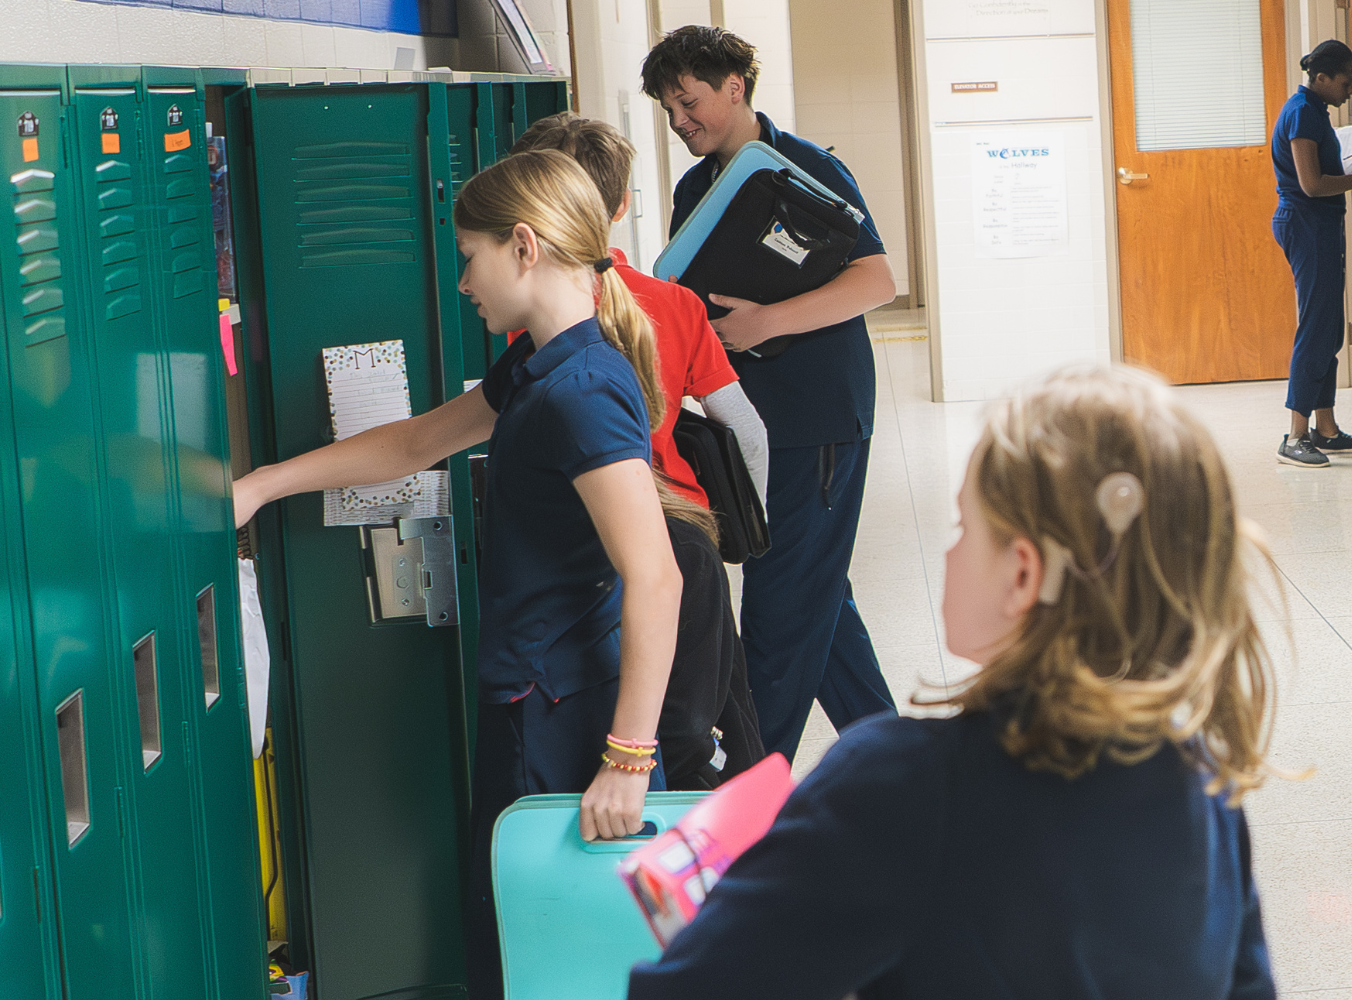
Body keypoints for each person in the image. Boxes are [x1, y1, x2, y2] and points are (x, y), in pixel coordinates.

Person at [628, 365, 1278, 999]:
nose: (950, 549)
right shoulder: (1205, 783)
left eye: (967, 526)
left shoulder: (901, 783)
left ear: (1022, 575)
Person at [231, 150, 686, 997]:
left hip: (569, 718)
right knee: (528, 942)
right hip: (537, 699)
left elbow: (656, 575)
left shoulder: (582, 388)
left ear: (525, 246)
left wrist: (626, 759)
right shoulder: (537, 364)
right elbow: (414, 444)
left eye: (469, 255)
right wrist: (260, 486)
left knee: (550, 955)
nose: (464, 281)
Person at [642, 25, 899, 762]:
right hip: (748, 422)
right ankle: (893, 763)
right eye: (668, 110)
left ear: (736, 86)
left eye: (690, 102)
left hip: (816, 418)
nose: (680, 122)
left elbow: (876, 279)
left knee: (782, 607)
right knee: (819, 599)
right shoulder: (695, 187)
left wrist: (767, 322)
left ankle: (753, 779)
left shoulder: (806, 167)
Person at [509, 111, 771, 787]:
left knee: (632, 727)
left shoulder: (541, 320)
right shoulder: (675, 303)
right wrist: (737, 531)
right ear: (622, 206)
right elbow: (745, 429)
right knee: (715, 721)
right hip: (682, 535)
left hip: (594, 553)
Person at [1272, 38, 1352, 469]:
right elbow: (1312, 184)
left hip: (1321, 225)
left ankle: (1326, 429)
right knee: (1316, 328)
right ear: (1321, 78)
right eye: (1345, 82)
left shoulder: (1315, 112)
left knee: (1331, 330)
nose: (1350, 90)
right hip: (1306, 224)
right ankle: (1295, 436)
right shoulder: (1300, 114)